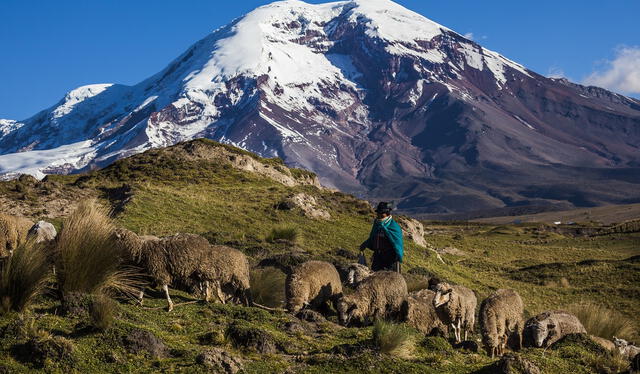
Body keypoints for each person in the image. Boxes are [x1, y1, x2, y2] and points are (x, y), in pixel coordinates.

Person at [359, 201, 404, 272]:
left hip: (390, 259)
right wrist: (365, 244)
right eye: (378, 214)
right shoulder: (377, 224)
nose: (379, 216)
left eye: (382, 215)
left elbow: (397, 244)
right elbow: (373, 237)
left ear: (387, 214)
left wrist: (398, 256)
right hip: (378, 257)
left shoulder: (394, 227)